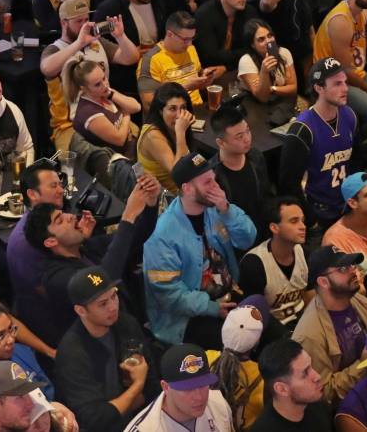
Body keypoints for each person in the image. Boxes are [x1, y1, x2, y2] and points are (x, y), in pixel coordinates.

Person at [21, 174, 158, 346]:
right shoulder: (57, 278)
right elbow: (102, 282)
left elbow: (137, 236)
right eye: (59, 220)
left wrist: (151, 202)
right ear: (51, 241)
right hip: (106, 349)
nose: (70, 217)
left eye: (64, 213)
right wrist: (128, 216)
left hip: (131, 327)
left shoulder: (86, 248)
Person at [145, 153, 258, 347]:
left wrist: (227, 210)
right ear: (187, 189)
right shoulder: (162, 235)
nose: (216, 187)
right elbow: (168, 293)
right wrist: (212, 308)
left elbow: (248, 239)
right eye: (207, 182)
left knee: (263, 329)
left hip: (228, 293)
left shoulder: (216, 209)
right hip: (186, 317)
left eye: (214, 180)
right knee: (241, 343)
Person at [52, 270, 157, 432]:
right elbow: (96, 420)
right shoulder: (72, 354)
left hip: (141, 417)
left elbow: (153, 385)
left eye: (114, 296)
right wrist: (137, 385)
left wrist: (122, 405)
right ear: (81, 311)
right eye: (103, 304)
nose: (113, 307)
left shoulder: (126, 324)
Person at [292, 247, 367, 407]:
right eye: (342, 268)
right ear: (323, 282)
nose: (353, 271)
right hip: (346, 409)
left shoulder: (363, 304)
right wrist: (363, 364)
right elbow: (323, 392)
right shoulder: (309, 335)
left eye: (352, 265)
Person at [279, 60, 360, 229]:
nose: (345, 88)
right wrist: (310, 219)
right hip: (317, 213)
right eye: (337, 84)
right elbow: (289, 184)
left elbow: (354, 162)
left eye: (345, 82)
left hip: (345, 206)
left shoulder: (350, 115)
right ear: (319, 88)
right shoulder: (302, 130)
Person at [121, 344, 235, 432]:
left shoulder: (218, 404)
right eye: (187, 389)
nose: (199, 397)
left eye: (202, 385)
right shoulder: (144, 429)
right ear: (165, 387)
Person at [239, 196, 312, 333]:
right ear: (274, 227)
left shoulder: (305, 253)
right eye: (294, 221)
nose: (303, 227)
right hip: (271, 332)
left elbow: (311, 296)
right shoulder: (253, 264)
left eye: (303, 221)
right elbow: (254, 315)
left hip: (303, 323)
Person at [252, 339, 332, 432]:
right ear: (282, 389)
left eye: (311, 366)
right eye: (305, 374)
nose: (318, 376)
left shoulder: (315, 403)